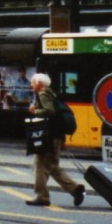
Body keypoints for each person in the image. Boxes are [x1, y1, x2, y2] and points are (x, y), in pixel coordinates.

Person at [26, 73, 85, 207]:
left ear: (40, 84)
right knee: (52, 166)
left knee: (40, 165)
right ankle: (75, 190)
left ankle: (42, 196)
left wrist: (34, 111)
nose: (31, 85)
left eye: (33, 82)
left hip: (49, 137)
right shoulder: (51, 94)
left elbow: (49, 111)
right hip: (56, 136)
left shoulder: (43, 94)